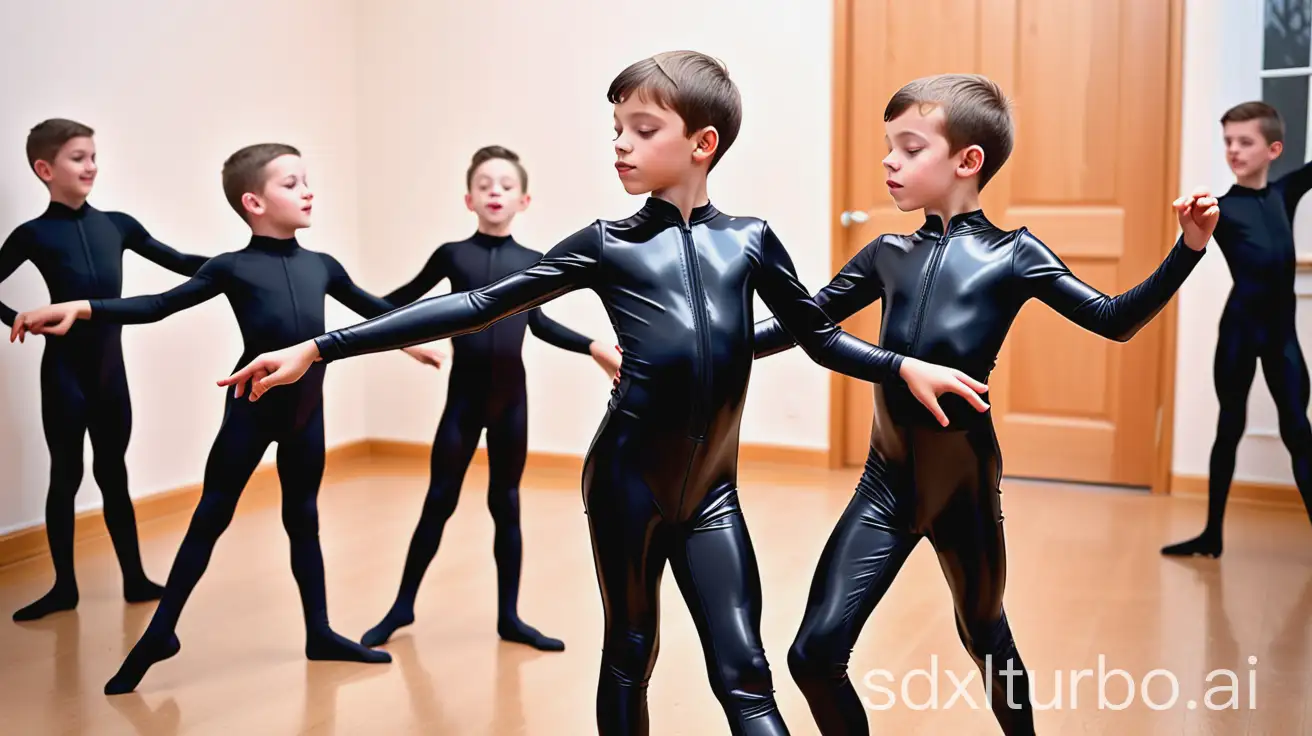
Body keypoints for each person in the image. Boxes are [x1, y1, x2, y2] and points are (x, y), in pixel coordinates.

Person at [216, 52, 989, 736]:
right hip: (625, 485)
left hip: (714, 494)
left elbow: (815, 334)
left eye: (642, 127)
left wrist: (898, 367)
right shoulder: (605, 242)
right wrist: (320, 347)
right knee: (629, 653)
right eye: (616, 126)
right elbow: (477, 305)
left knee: (745, 674)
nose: (619, 141)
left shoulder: (749, 239)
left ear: (702, 143)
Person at [751, 74, 1216, 735]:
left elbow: (1114, 319)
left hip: (962, 492)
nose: (889, 160)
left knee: (984, 637)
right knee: (812, 655)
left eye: (909, 148)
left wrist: (1188, 249)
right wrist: (702, 350)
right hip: (884, 486)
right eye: (889, 146)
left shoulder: (1014, 254)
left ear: (969, 162)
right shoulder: (887, 254)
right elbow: (802, 324)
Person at [11, 143, 443, 694]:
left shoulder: (322, 266)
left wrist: (414, 341)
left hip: (308, 409)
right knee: (211, 516)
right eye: (291, 183)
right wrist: (84, 308)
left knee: (303, 518)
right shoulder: (233, 268)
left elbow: (373, 309)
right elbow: (157, 305)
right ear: (253, 202)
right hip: (252, 406)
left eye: (306, 180)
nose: (308, 190)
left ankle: (320, 631)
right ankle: (160, 632)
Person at [361, 145, 621, 652]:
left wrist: (593, 346)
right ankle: (401, 605)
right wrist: (374, 331)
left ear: (524, 200)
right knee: (439, 502)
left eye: (505, 185)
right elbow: (397, 302)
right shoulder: (453, 256)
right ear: (468, 199)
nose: (494, 191)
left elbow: (538, 322)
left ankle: (510, 617)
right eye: (484, 185)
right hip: (463, 401)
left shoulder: (532, 262)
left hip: (511, 404)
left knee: (507, 505)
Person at [0, 118, 210, 622]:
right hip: (65, 375)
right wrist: (20, 321)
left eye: (93, 155)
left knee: (114, 473)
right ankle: (64, 588)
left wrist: (244, 262)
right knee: (66, 476)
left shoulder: (117, 225)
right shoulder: (33, 234)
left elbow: (180, 261)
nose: (91, 165)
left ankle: (135, 579)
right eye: (78, 157)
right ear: (44, 168)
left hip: (110, 374)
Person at [1162, 101, 1312, 558]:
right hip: (1239, 334)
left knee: (1298, 431)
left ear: (1274, 149)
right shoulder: (1220, 209)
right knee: (1229, 427)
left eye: (1245, 142)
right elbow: (1189, 246)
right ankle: (1211, 535)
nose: (1233, 150)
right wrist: (1191, 225)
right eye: (1228, 141)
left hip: (1281, 335)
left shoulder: (1284, 194)